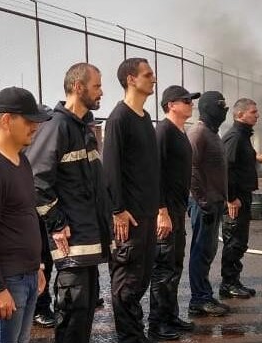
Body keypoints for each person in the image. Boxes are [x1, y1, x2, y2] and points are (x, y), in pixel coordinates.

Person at [24, 62, 110, 343]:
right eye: (96, 86)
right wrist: (57, 223)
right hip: (71, 241)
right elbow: (36, 180)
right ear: (78, 87)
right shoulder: (57, 125)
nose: (101, 92)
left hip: (88, 238)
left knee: (84, 309)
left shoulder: (82, 127)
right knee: (73, 311)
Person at [0, 86, 50, 342]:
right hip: (6, 281)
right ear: (6, 120)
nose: (35, 127)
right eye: (29, 120)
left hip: (25, 276)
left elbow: (28, 215)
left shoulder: (21, 161)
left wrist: (37, 265)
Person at [103, 57, 160, 343]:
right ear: (131, 79)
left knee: (141, 278)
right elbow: (110, 169)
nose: (153, 79)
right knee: (127, 280)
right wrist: (118, 210)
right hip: (130, 216)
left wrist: (160, 209)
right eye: (148, 74)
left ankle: (136, 333)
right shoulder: (118, 119)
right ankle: (129, 337)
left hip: (148, 213)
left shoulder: (145, 118)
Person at [148, 85, 199, 340]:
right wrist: (161, 211)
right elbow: (154, 173)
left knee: (175, 266)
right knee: (163, 268)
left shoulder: (179, 131)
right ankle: (157, 324)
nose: (191, 104)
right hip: (166, 211)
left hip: (179, 209)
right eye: (186, 100)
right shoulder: (163, 131)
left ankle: (170, 315)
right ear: (171, 105)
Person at [187, 90, 231, 316]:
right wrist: (202, 201)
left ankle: (204, 295)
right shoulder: (198, 133)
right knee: (200, 250)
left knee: (209, 249)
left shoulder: (213, 133)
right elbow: (191, 169)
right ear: (207, 108)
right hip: (202, 204)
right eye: (220, 105)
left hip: (214, 202)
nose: (224, 110)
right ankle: (199, 299)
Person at [220, 98, 261, 299]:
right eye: (253, 112)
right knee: (234, 241)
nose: (257, 115)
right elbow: (225, 168)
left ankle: (234, 280)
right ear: (240, 115)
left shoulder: (243, 136)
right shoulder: (235, 136)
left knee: (239, 241)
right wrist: (231, 198)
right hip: (235, 199)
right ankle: (228, 284)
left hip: (242, 196)